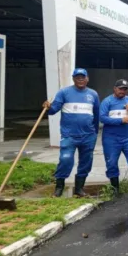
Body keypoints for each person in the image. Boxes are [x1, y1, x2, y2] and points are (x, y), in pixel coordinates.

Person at [43, 68, 100, 198]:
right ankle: (59, 188)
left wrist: (95, 133)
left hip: (88, 136)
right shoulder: (64, 92)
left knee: (86, 162)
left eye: (83, 77)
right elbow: (53, 111)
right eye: (77, 77)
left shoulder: (93, 94)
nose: (80, 79)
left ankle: (79, 189)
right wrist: (48, 107)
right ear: (73, 78)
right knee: (65, 159)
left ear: (87, 79)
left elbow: (96, 115)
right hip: (69, 135)